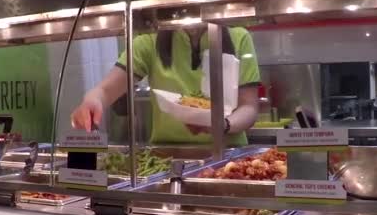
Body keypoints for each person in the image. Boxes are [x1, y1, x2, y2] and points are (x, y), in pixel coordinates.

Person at [71, 26, 261, 146]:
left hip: (227, 154)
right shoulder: (148, 42)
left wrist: (224, 125)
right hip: (166, 155)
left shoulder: (239, 37)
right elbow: (105, 90)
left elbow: (249, 107)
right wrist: (93, 99)